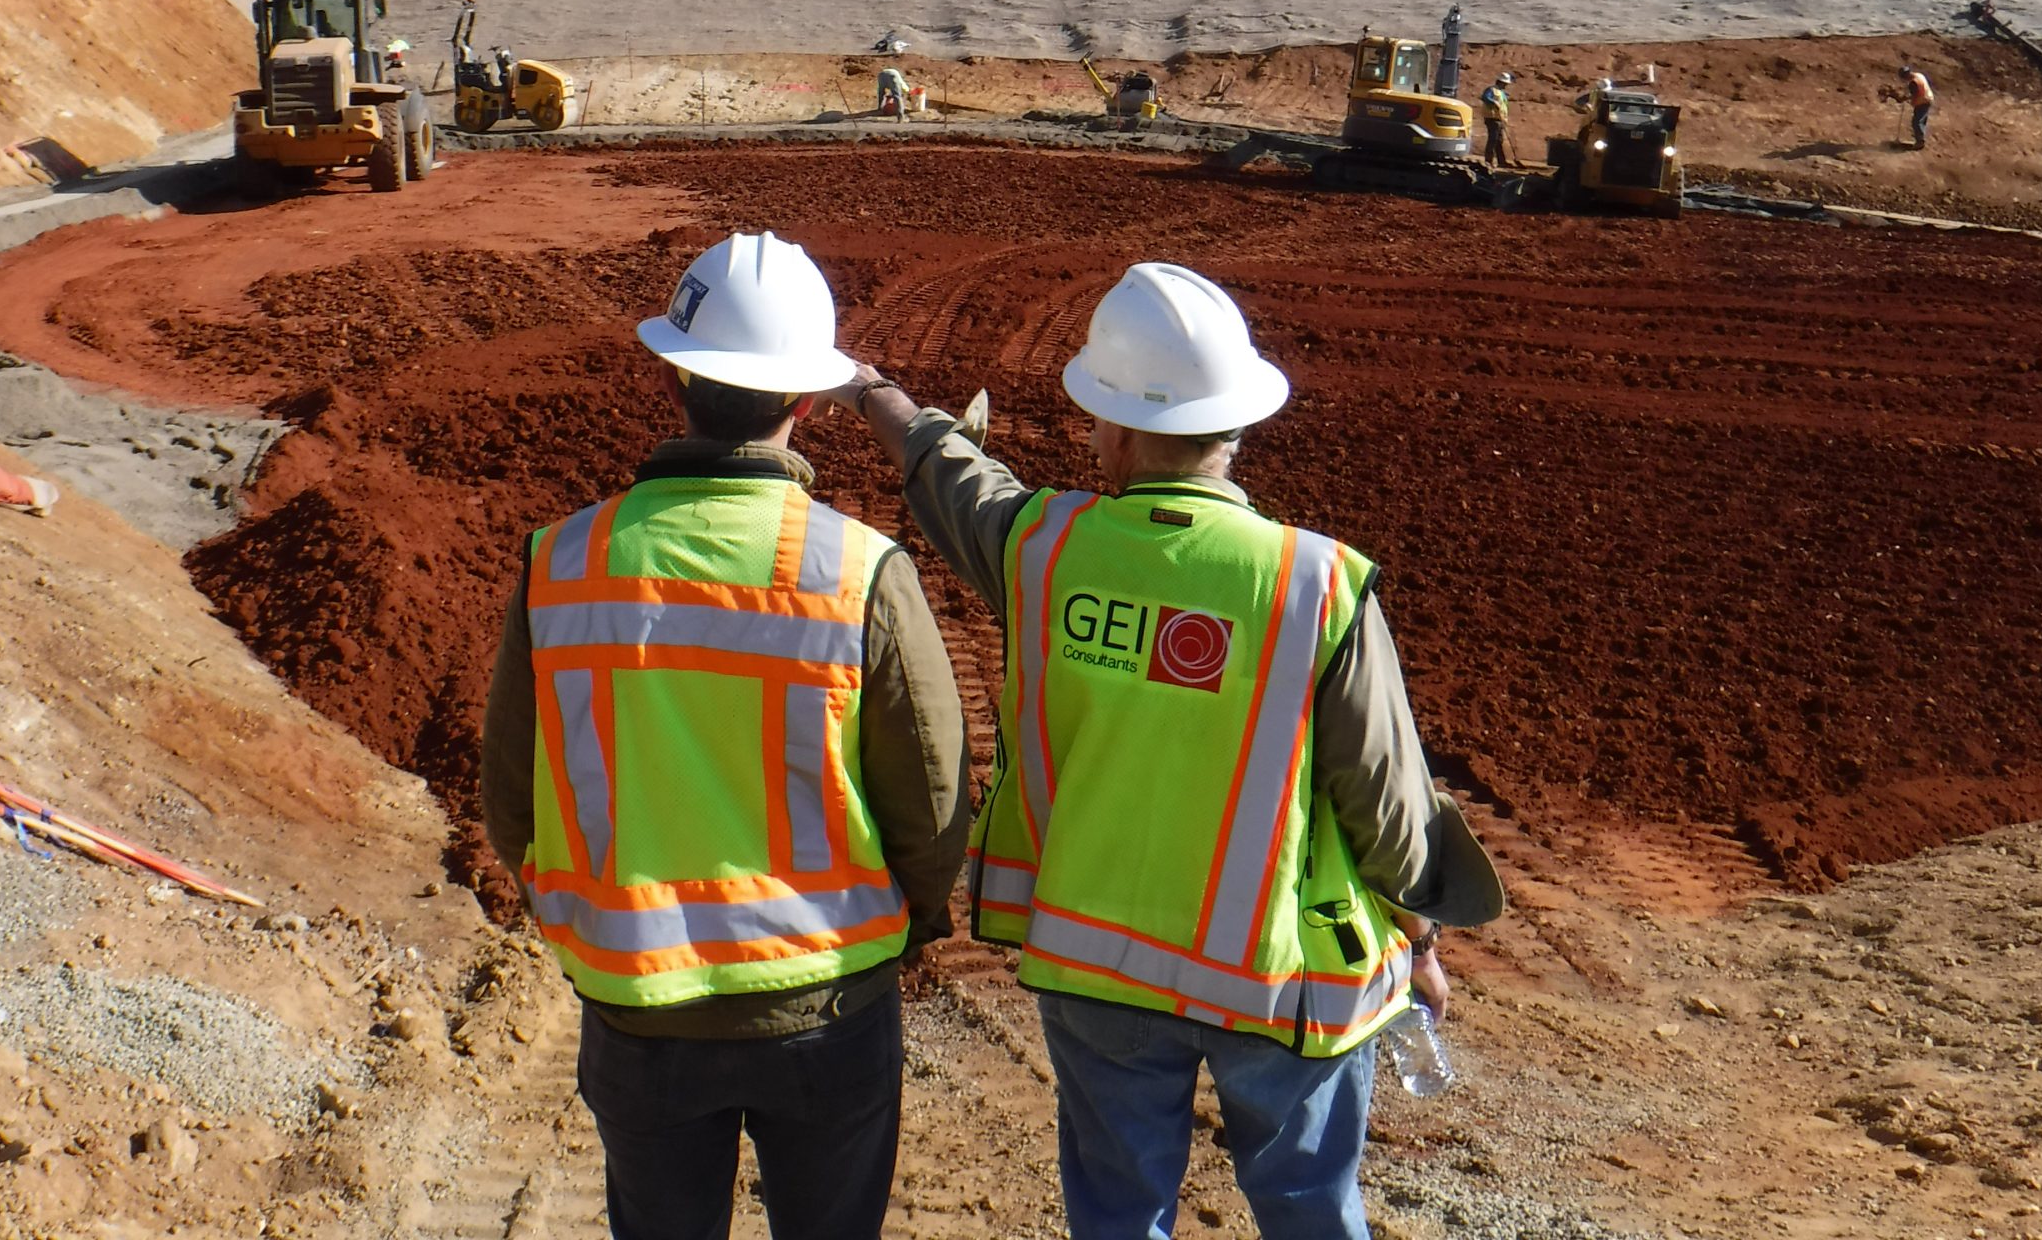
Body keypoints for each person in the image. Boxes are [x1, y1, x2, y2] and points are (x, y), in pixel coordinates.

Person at [829, 262, 1504, 1240]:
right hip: (1279, 986)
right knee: (1313, 1212)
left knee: (1116, 1216)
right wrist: (1421, 941)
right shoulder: (1315, 585)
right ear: (1233, 427)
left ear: (1117, 430)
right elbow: (1388, 809)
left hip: (1097, 972)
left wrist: (867, 390)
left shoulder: (1044, 550)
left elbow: (955, 478)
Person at [480, 231, 969, 1240]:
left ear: (675, 377)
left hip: (638, 1003)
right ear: (805, 400)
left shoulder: (564, 562)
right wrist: (911, 920)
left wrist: (582, 919)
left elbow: (509, 797)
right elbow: (929, 797)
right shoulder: (859, 570)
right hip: (828, 1003)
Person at [1477, 72, 1513, 166]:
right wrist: (1493, 102)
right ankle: (1488, 161)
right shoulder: (1491, 90)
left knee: (1499, 140)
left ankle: (1502, 161)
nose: (1506, 85)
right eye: (1505, 84)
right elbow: (1485, 97)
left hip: (1500, 119)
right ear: (1501, 82)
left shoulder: (1502, 93)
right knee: (1493, 139)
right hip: (1492, 118)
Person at [1898, 63, 1935, 150]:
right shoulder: (1918, 75)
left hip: (1922, 101)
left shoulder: (1913, 83)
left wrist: (1904, 98)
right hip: (1928, 98)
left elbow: (1914, 94)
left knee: (1916, 122)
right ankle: (1920, 138)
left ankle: (1920, 142)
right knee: (1921, 120)